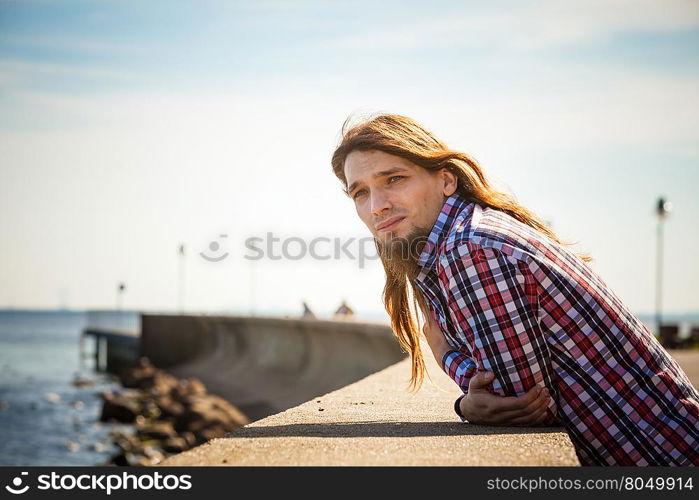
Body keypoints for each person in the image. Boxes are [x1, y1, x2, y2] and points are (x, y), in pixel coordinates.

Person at [330, 113, 699, 466]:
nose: (377, 206)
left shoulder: (469, 247)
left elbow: (519, 404)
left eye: (394, 179)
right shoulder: (465, 235)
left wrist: (445, 357)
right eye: (360, 193)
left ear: (446, 180)